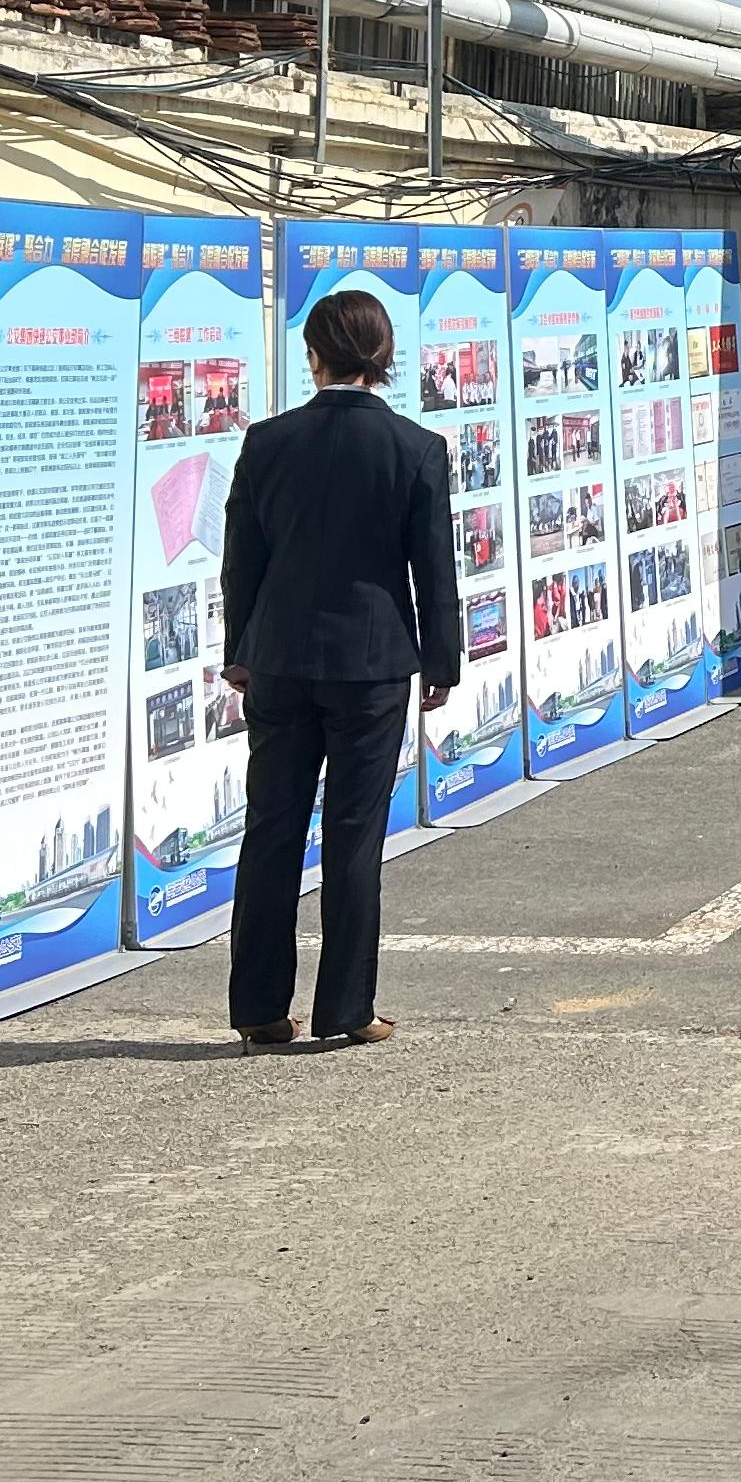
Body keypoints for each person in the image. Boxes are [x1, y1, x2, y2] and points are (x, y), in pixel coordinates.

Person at [220, 290, 462, 1051]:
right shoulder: (416, 447)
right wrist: (442, 659)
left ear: (314, 356)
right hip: (373, 663)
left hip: (279, 660)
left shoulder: (266, 442)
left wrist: (239, 649)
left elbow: (242, 560)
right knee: (354, 836)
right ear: (383, 358)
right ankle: (348, 1009)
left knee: (271, 830)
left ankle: (259, 1007)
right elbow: (434, 568)